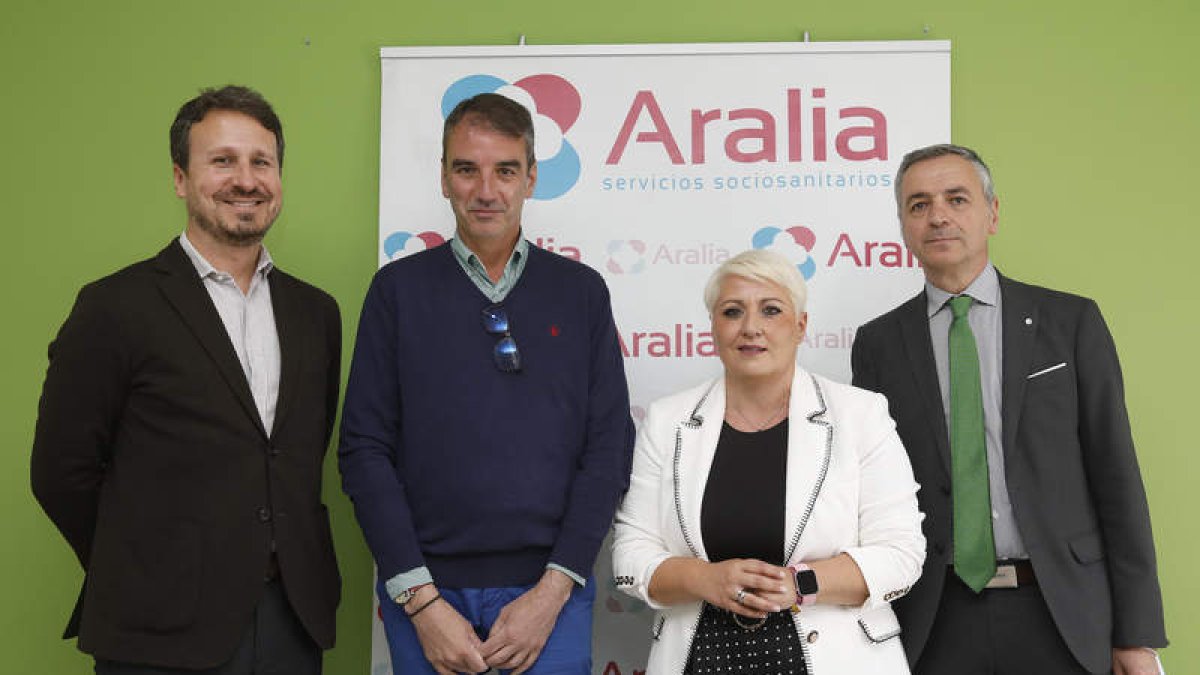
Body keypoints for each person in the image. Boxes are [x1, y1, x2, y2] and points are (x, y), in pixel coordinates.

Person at [30, 85, 342, 674]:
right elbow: (60, 471)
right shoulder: (114, 307)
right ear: (180, 177)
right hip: (158, 628)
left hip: (291, 624)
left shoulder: (315, 313)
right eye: (222, 160)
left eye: (261, 161)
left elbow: (294, 457)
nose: (245, 179)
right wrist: (145, 562)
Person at [338, 92, 634, 675]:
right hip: (426, 595)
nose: (486, 189)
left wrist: (550, 595)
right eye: (466, 169)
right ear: (443, 178)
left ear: (531, 178)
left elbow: (608, 448)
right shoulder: (397, 292)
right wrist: (423, 604)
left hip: (550, 595)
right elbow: (364, 450)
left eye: (505, 170)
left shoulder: (581, 293)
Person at [851, 143, 1168, 675]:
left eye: (957, 198)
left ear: (992, 213)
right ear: (904, 226)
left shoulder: (1070, 322)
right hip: (933, 617)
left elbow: (1117, 477)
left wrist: (1136, 635)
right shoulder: (878, 344)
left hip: (1060, 611)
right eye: (919, 205)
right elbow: (871, 491)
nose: (939, 217)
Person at [612, 249, 925, 674]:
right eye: (732, 311)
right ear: (713, 328)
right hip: (701, 657)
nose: (750, 328)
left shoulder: (860, 415)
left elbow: (901, 553)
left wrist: (797, 585)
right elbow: (631, 553)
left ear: (800, 326)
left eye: (771, 310)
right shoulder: (669, 421)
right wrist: (705, 580)